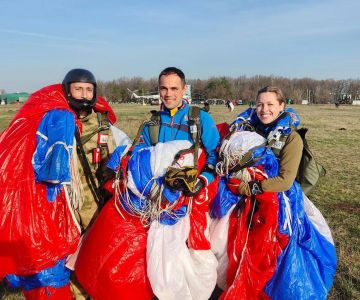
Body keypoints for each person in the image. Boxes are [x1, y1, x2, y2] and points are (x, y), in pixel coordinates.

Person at [74, 67, 221, 300]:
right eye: (164, 88)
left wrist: (202, 182)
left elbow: (215, 157)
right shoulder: (152, 123)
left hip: (188, 200)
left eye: (174, 88)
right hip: (154, 200)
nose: (169, 93)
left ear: (184, 89)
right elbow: (137, 155)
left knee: (183, 260)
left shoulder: (199, 119)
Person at [210, 86, 337, 299]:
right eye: (260, 104)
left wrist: (250, 187)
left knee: (275, 252)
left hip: (279, 202)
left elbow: (285, 181)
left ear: (281, 106)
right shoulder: (249, 131)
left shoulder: (291, 138)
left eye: (270, 104)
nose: (264, 109)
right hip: (244, 200)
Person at [0, 68, 118, 299]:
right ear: (68, 91)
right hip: (63, 201)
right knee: (68, 252)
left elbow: (112, 156)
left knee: (93, 250)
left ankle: (88, 290)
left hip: (95, 199)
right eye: (78, 89)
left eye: (88, 90)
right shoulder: (53, 120)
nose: (84, 95)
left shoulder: (102, 123)